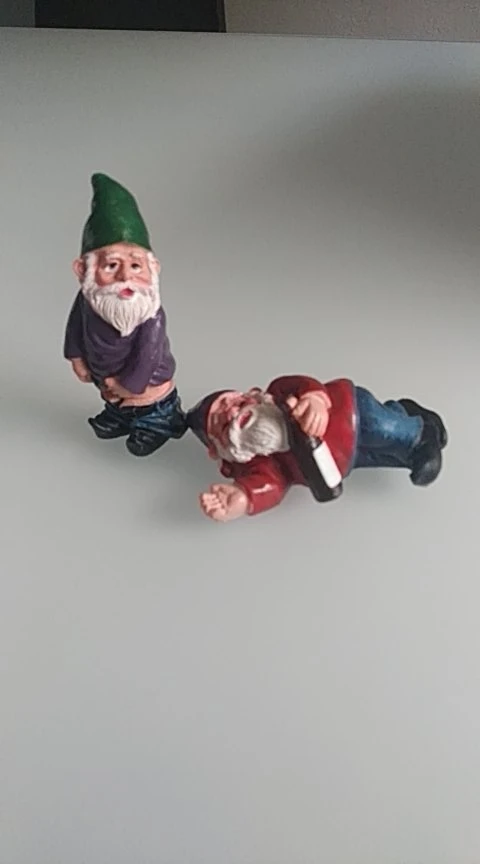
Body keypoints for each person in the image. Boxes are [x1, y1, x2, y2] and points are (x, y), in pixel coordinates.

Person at [186, 375, 447, 522]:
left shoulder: (278, 395)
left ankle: (421, 433)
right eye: (221, 423)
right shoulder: (261, 462)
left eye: (229, 403)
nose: (231, 413)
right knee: (386, 454)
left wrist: (315, 401)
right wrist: (243, 497)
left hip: (352, 411)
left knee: (384, 427)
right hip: (342, 461)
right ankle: (406, 419)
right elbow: (271, 484)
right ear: (219, 450)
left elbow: (305, 384)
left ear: (248, 395)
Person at [63, 173, 186, 457]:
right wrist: (77, 358)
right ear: (83, 270)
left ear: (153, 268)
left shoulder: (150, 316)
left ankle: (160, 424)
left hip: (147, 387)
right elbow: (74, 327)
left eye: (135, 266)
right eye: (111, 266)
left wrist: (125, 386)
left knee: (148, 405)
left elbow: (147, 356)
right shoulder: (89, 301)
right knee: (117, 405)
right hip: (107, 382)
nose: (125, 277)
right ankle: (121, 417)